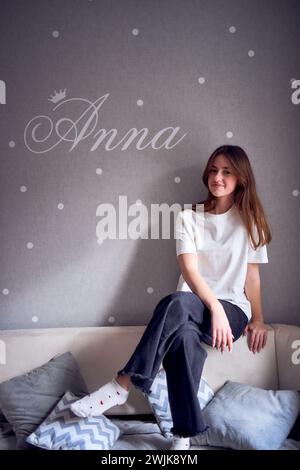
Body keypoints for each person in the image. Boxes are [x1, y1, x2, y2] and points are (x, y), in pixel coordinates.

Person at [71, 145, 272, 450]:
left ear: (241, 179)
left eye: (227, 172)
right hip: (195, 308)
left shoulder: (251, 221)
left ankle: (122, 384)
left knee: (176, 302)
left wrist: (257, 319)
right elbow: (188, 269)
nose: (217, 177)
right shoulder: (189, 217)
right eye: (214, 170)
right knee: (183, 334)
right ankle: (185, 433)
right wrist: (213, 306)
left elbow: (252, 277)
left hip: (232, 312)